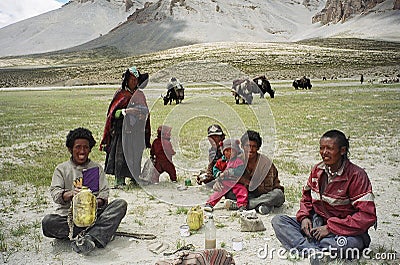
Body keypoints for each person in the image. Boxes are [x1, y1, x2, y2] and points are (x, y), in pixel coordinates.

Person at [271, 130, 377, 263]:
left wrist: (330, 228)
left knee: (349, 244)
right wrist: (304, 217)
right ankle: (315, 251)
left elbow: (367, 216)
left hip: (345, 230)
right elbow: (307, 198)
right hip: (318, 224)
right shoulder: (317, 170)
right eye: (321, 148)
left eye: (329, 148)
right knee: (279, 221)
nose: (324, 152)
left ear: (342, 150)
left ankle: (309, 247)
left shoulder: (356, 176)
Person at [42, 128, 127, 255]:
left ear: (90, 149)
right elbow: (55, 193)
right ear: (70, 149)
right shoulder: (62, 169)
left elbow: (104, 195)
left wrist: (91, 201)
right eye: (78, 147)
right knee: (48, 223)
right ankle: (96, 232)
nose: (82, 151)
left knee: (120, 204)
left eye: (86, 147)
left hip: (94, 215)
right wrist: (72, 194)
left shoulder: (96, 168)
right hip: (69, 219)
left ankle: (89, 238)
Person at [99, 66, 151, 188]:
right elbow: (113, 114)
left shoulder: (140, 95)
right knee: (120, 155)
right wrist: (126, 111)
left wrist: (142, 115)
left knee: (136, 155)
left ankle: (134, 178)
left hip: (137, 131)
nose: (134, 82)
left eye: (136, 80)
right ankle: (119, 181)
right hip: (122, 131)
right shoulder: (120, 94)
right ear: (126, 80)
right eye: (132, 79)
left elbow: (146, 111)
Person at [221, 130, 285, 215]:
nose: (250, 149)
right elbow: (228, 178)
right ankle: (261, 206)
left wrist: (245, 182)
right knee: (228, 191)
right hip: (246, 193)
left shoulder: (265, 163)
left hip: (265, 194)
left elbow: (266, 189)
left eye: (254, 146)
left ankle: (245, 205)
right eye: (247, 146)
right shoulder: (236, 160)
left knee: (278, 195)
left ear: (258, 148)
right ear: (242, 146)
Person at [204, 139, 247, 212]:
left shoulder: (238, 161)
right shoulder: (221, 161)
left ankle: (242, 205)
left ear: (236, 152)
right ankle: (210, 204)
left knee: (242, 190)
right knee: (218, 192)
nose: (229, 153)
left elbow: (240, 170)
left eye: (231, 151)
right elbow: (215, 169)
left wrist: (230, 172)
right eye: (227, 151)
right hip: (224, 182)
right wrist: (219, 174)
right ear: (223, 152)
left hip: (235, 182)